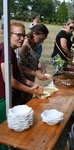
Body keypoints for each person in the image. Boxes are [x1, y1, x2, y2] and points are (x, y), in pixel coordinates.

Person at [0, 22, 43, 150]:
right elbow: (10, 81)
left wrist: (33, 84)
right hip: (2, 98)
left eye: (23, 35)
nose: (22, 38)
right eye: (18, 35)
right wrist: (31, 90)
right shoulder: (6, 51)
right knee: (4, 135)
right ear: (8, 34)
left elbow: (19, 77)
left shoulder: (10, 51)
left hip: (5, 97)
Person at [15, 23, 49, 103]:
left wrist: (41, 67)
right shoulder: (25, 45)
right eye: (40, 39)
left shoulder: (35, 44)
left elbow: (34, 59)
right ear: (34, 34)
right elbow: (19, 66)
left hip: (30, 80)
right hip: (22, 81)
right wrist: (35, 73)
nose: (42, 42)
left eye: (43, 40)